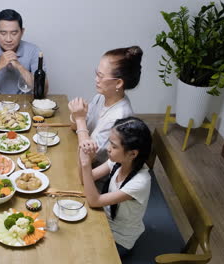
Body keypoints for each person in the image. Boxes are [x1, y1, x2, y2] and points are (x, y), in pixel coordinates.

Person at [78, 117, 152, 257]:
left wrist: (86, 163)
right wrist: (82, 152)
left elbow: (94, 201)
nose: (108, 148)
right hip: (103, 219)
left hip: (119, 239)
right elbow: (84, 179)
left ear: (133, 154)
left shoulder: (140, 182)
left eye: (114, 146)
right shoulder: (119, 161)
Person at [69, 46, 143, 164]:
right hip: (79, 160)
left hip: (96, 176)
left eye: (100, 76)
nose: (96, 79)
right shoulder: (102, 97)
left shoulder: (119, 117)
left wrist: (80, 119)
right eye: (96, 73)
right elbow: (76, 128)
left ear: (118, 83)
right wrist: (76, 116)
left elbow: (87, 157)